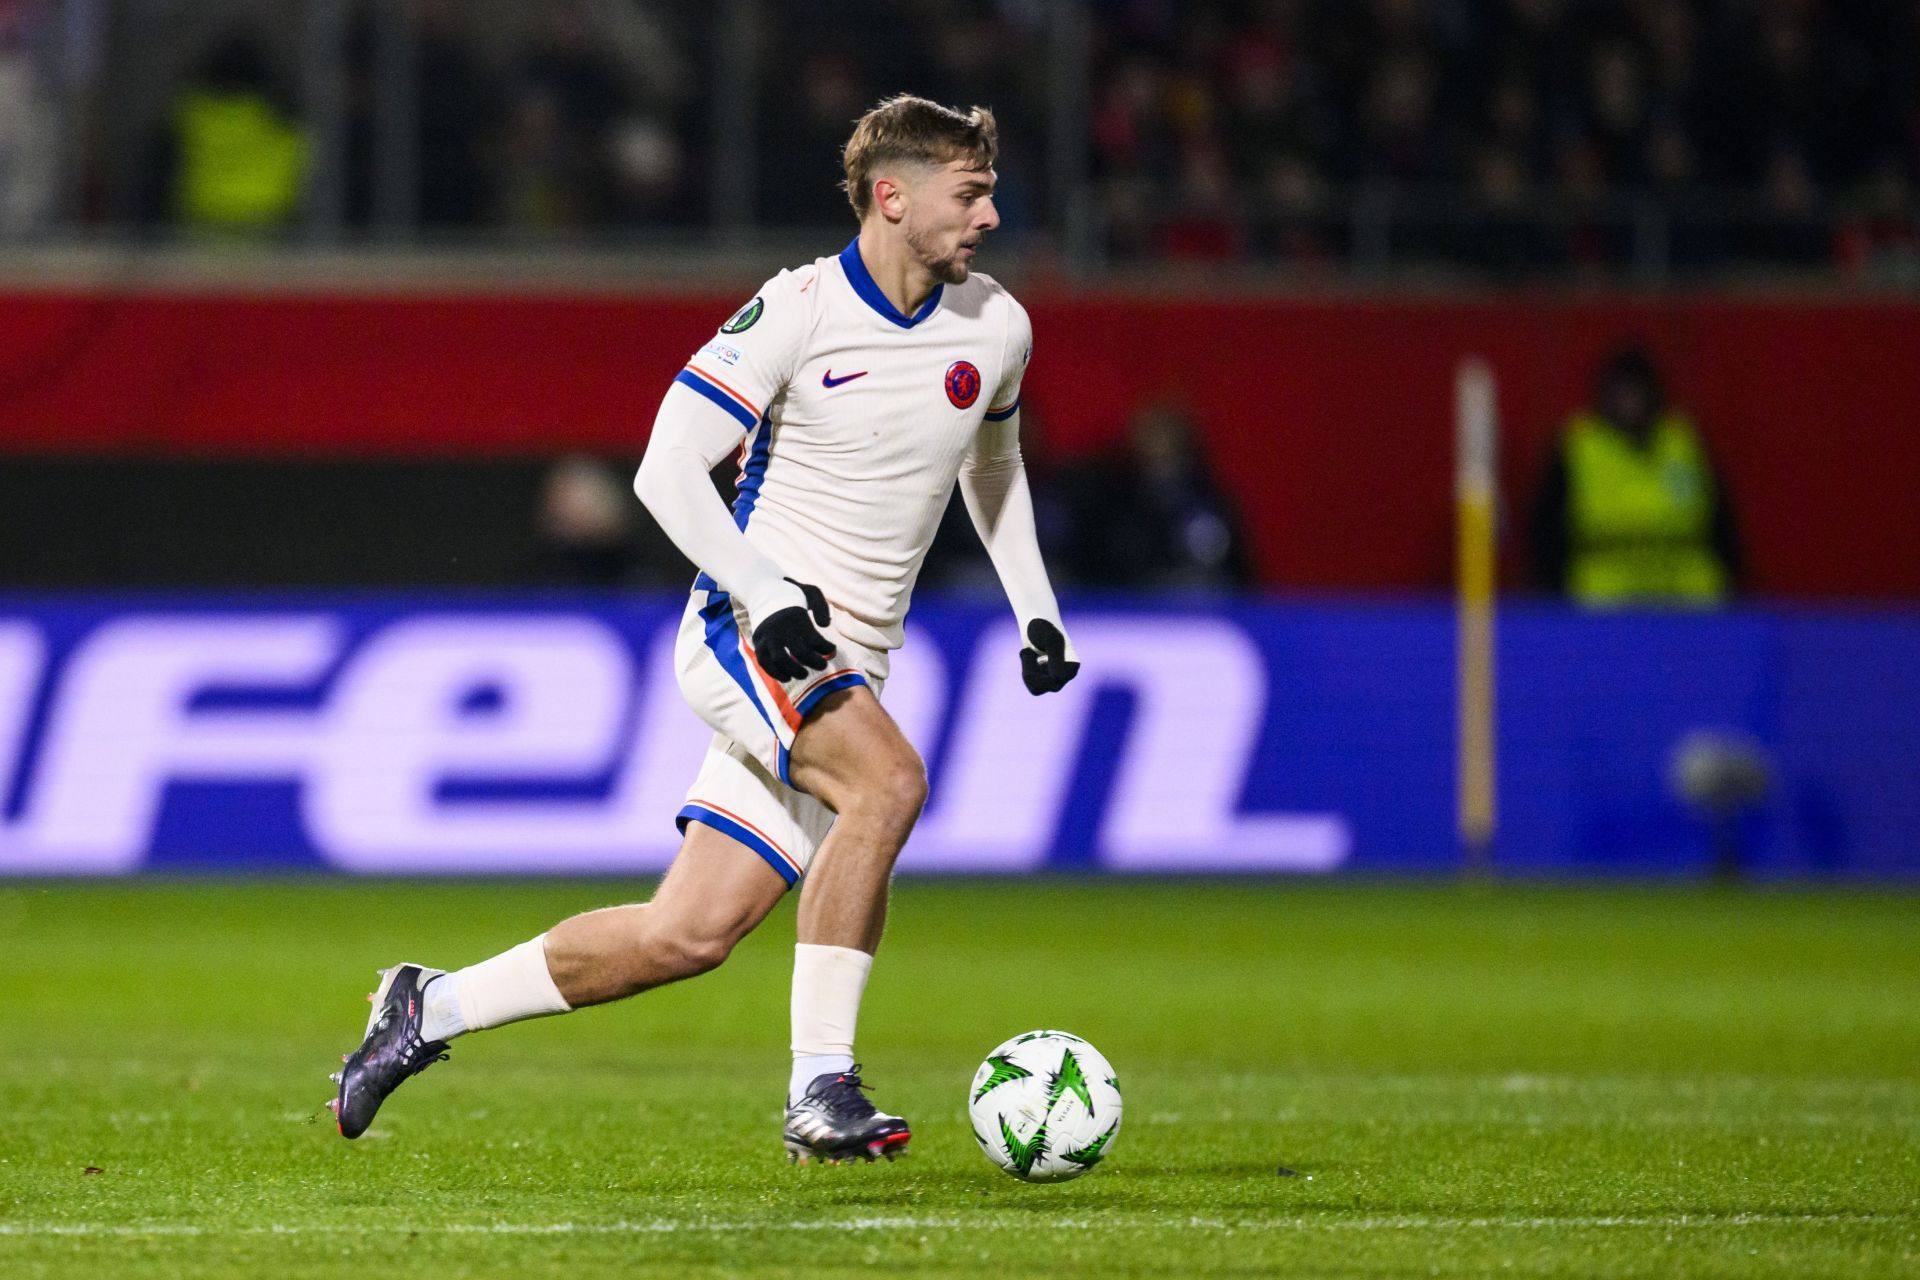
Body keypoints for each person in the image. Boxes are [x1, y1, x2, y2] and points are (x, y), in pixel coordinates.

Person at [329, 96, 1079, 1164]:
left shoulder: (996, 324)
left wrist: (1037, 610)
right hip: (753, 626)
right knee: (889, 784)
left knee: (688, 933)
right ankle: (821, 1084)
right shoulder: (797, 313)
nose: (991, 216)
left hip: (851, 657)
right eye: (971, 194)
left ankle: (425, 1007)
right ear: (892, 196)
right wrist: (765, 591)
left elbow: (991, 467)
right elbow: (664, 469)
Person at [1529, 344, 1743, 606]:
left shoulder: (1682, 442)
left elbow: (1722, 525)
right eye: (1621, 390)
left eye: (1638, 390)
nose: (1630, 401)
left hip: (1689, 597)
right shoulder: (1578, 447)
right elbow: (1546, 532)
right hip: (1604, 599)